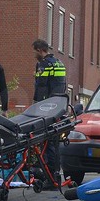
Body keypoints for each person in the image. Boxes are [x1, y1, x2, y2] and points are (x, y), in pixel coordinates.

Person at [32, 39, 67, 189]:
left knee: (46, 143)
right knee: (54, 142)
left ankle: (49, 178)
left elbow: (41, 87)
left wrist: (36, 107)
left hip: (46, 109)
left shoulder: (44, 64)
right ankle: (56, 175)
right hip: (58, 107)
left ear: (40, 50)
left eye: (34, 51)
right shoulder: (59, 62)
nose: (34, 55)